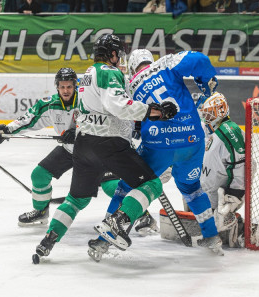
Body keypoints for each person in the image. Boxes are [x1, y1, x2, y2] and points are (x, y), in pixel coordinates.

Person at [32, 34, 176, 261]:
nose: (120, 58)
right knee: (152, 183)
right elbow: (118, 106)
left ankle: (48, 239)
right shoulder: (109, 72)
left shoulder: (88, 74)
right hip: (109, 144)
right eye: (118, 53)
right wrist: (155, 111)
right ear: (112, 54)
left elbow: (90, 109)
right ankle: (119, 222)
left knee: (76, 199)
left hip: (84, 145)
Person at [88, 48, 221, 261]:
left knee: (126, 186)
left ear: (132, 67)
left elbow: (120, 113)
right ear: (150, 60)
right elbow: (199, 59)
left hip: (159, 144)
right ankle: (212, 236)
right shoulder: (166, 63)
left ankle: (105, 238)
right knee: (192, 188)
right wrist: (206, 82)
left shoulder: (129, 84)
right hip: (192, 139)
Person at [0, 67, 133, 228]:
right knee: (39, 175)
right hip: (69, 150)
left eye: (69, 86)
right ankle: (40, 211)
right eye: (62, 87)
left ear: (75, 86)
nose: (65, 90)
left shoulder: (89, 100)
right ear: (57, 87)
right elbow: (28, 119)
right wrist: (6, 130)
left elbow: (109, 121)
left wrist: (78, 132)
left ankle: (137, 212)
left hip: (95, 151)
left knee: (110, 186)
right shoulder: (49, 104)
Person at [198, 92, 246, 247]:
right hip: (210, 190)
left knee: (220, 221)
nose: (207, 118)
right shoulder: (215, 129)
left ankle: (239, 231)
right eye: (205, 114)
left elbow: (240, 163)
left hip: (223, 192)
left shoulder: (229, 130)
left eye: (210, 114)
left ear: (221, 111)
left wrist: (236, 191)